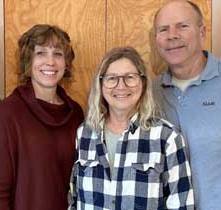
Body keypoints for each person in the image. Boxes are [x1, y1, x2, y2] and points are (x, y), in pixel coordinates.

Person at [68, 46, 194, 210]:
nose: (121, 86)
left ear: (143, 82)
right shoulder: (85, 133)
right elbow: (74, 199)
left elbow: (181, 205)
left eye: (130, 77)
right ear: (101, 84)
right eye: (112, 78)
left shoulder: (166, 137)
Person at [0, 24, 84, 210]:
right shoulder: (6, 115)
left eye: (58, 54)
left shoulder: (76, 114)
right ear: (28, 61)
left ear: (66, 63)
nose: (50, 62)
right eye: (41, 53)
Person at [152, 1, 221, 209]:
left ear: (202, 32)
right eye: (163, 29)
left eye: (182, 26)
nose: (172, 35)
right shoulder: (148, 93)